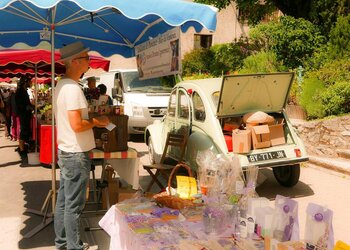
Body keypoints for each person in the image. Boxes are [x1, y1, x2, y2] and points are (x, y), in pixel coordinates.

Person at [54, 41, 109, 250]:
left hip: (68, 151)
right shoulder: (72, 88)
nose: (89, 61)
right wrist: (96, 122)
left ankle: (62, 243)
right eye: (86, 58)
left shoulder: (62, 84)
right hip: (75, 154)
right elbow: (77, 125)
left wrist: (91, 119)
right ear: (75, 61)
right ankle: (73, 246)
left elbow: (73, 122)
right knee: (73, 206)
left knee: (64, 203)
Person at [15, 75, 34, 163]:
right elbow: (19, 105)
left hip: (26, 115)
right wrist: (28, 107)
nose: (31, 83)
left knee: (25, 131)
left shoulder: (23, 91)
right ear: (25, 82)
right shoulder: (19, 92)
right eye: (29, 82)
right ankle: (22, 150)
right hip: (23, 115)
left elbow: (26, 103)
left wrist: (31, 106)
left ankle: (23, 148)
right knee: (23, 131)